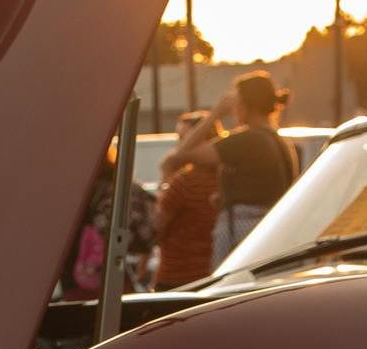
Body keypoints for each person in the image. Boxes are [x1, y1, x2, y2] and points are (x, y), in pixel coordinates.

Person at [161, 71, 299, 264]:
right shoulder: (279, 141)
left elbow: (182, 154)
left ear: (246, 105)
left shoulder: (247, 140)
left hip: (240, 233)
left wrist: (214, 115)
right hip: (270, 232)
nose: (233, 109)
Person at [60, 144, 155, 302]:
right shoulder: (122, 185)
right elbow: (146, 237)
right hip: (117, 276)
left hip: (75, 277)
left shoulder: (69, 187)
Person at [154, 111, 222, 289]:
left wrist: (165, 179)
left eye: (184, 139)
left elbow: (157, 228)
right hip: (215, 275)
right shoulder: (227, 180)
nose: (180, 146)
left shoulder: (184, 182)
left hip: (176, 276)